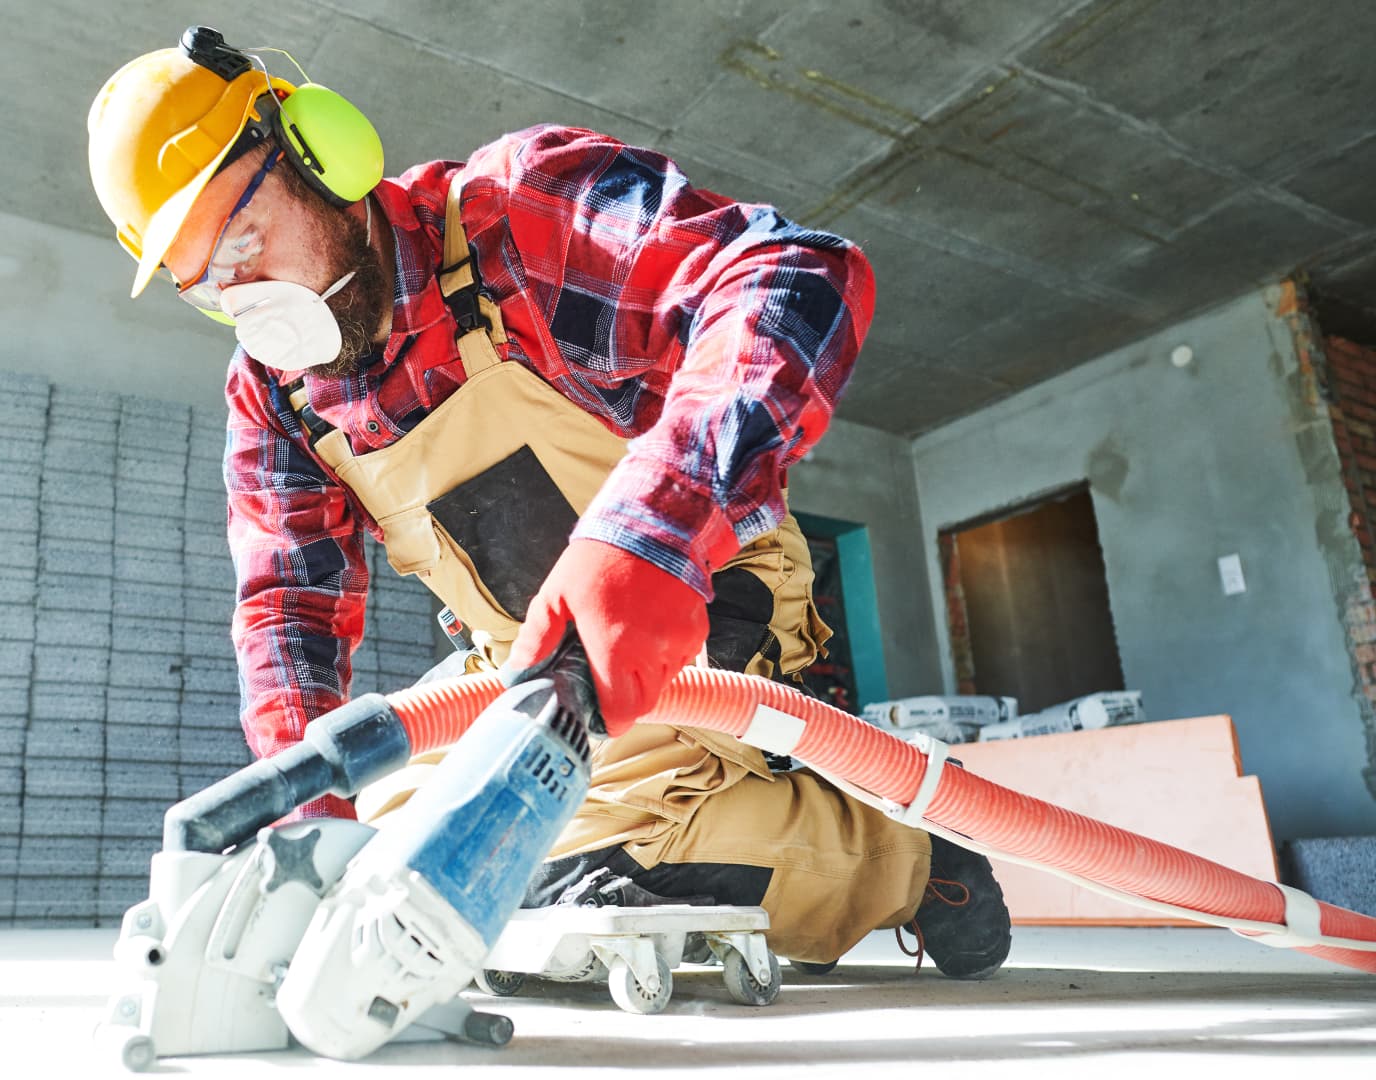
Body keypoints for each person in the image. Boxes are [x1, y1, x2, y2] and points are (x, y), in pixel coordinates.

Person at [85, 27, 1010, 977]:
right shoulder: (272, 395)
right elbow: (290, 609)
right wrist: (309, 834)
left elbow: (790, 277)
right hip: (518, 656)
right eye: (209, 286)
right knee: (392, 833)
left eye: (243, 239)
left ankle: (913, 859)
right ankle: (691, 805)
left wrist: (655, 533)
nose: (249, 301)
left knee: (573, 842)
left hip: (701, 586)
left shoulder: (510, 217)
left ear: (321, 150)